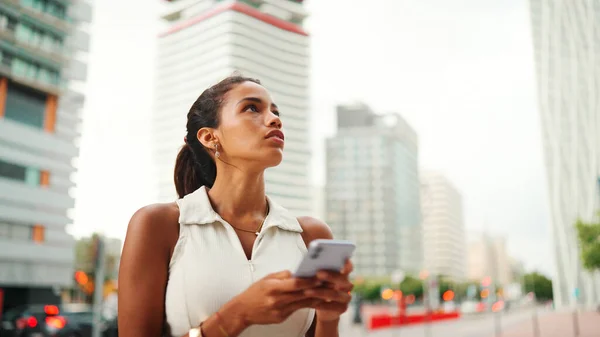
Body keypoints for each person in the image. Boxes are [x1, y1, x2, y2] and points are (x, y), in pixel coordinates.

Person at [118, 75, 354, 337]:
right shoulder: (158, 225)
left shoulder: (311, 234)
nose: (275, 119)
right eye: (252, 108)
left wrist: (329, 319)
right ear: (209, 137)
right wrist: (237, 315)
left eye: (275, 111)